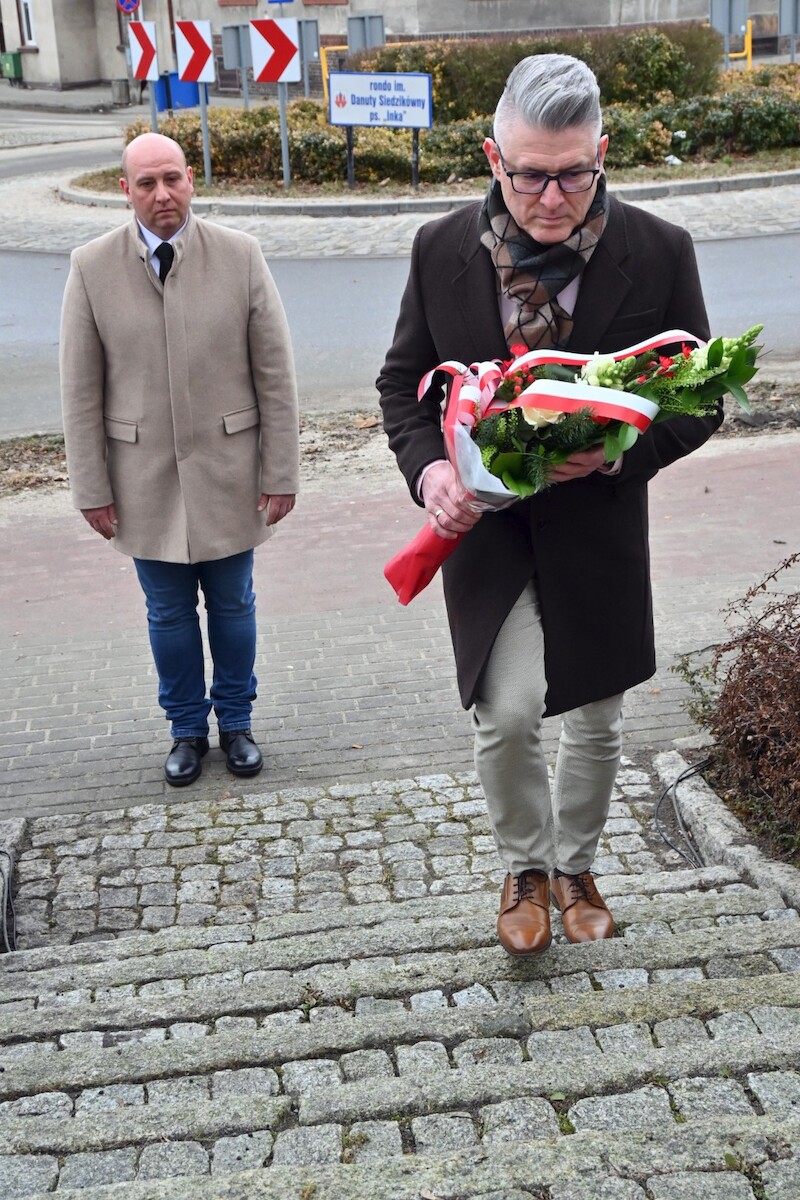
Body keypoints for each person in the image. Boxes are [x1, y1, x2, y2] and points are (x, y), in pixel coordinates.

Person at [378, 55, 721, 955]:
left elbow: (702, 399)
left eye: (575, 174)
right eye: (530, 175)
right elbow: (401, 385)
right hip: (488, 535)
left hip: (600, 530)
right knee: (508, 711)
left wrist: (619, 455)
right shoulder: (440, 248)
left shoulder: (659, 250)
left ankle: (577, 868)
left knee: (598, 719)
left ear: (602, 153)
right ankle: (525, 869)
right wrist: (431, 473)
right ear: (494, 158)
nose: (553, 197)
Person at [60, 133, 299, 788]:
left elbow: (275, 376)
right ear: (125, 190)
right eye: (146, 183)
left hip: (231, 470)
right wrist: (90, 487)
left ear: (191, 179)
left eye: (172, 178)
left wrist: (281, 472)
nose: (162, 194)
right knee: (166, 613)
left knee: (234, 604)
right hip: (142, 480)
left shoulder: (240, 256)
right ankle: (186, 730)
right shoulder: (90, 267)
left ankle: (238, 723)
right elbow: (80, 392)